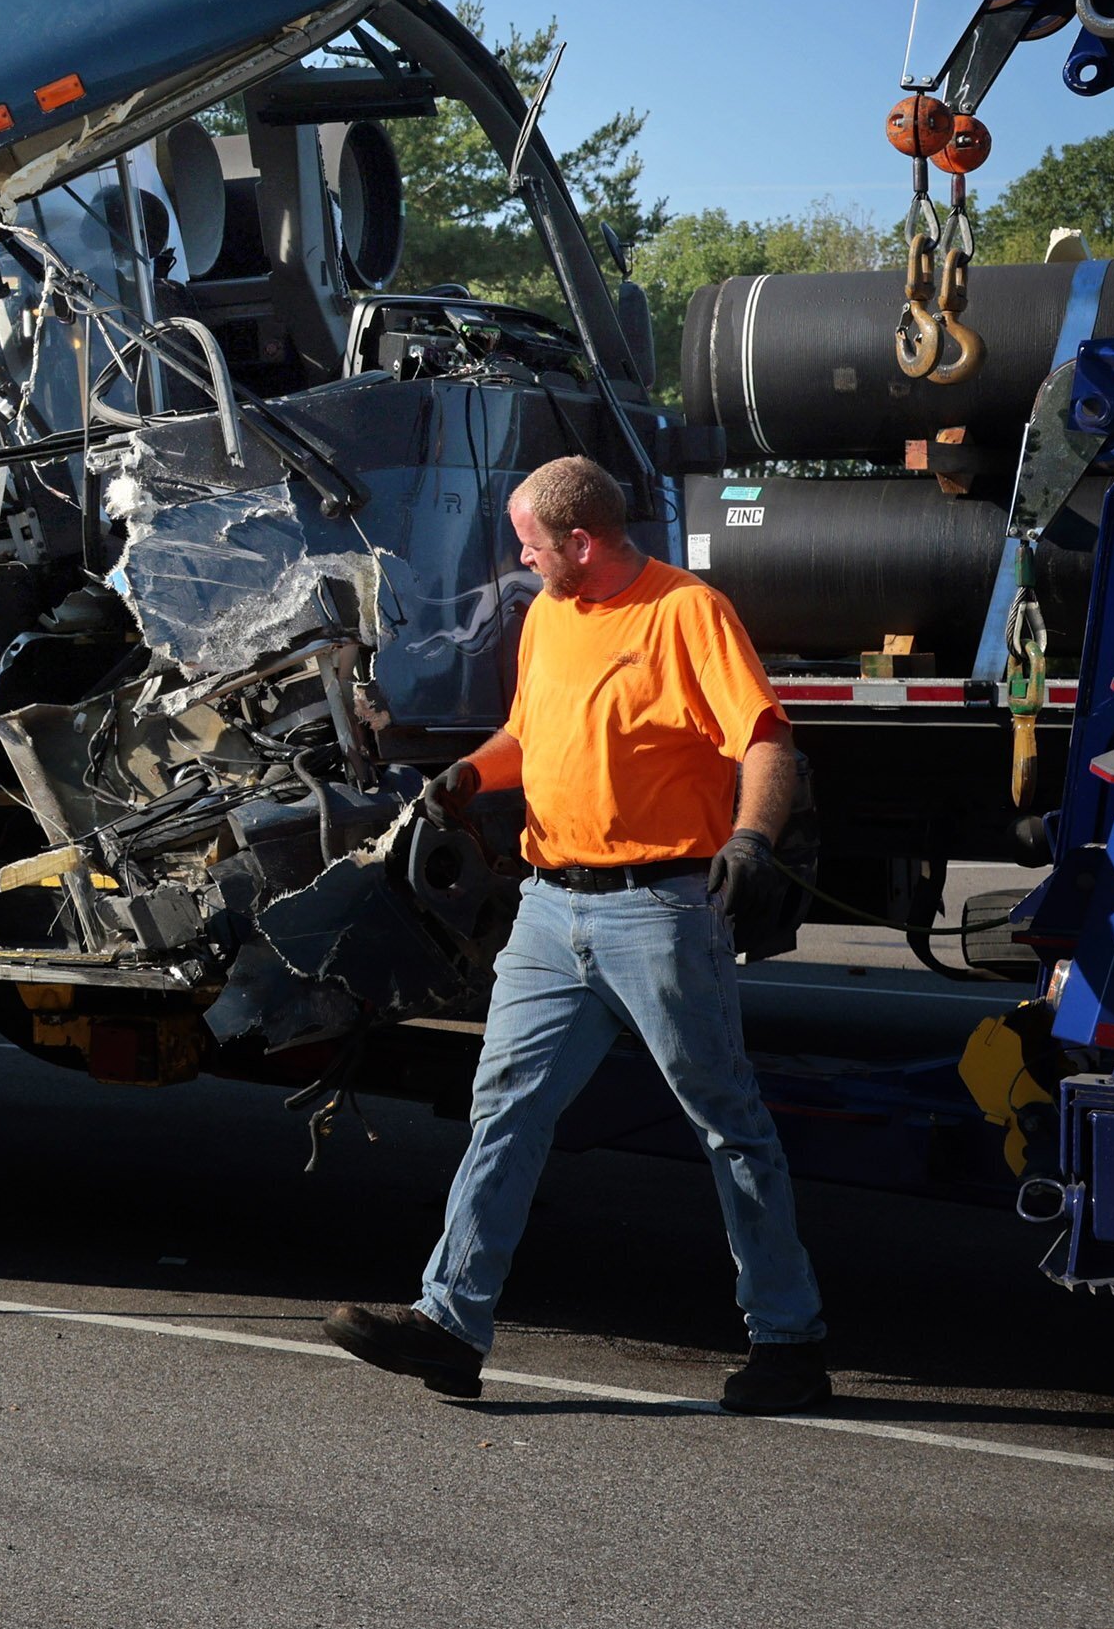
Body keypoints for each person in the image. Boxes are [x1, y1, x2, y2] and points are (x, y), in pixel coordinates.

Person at [322, 454, 832, 1415]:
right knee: (504, 1107)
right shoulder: (551, 616)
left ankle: (789, 1341)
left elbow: (765, 737)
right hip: (551, 910)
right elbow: (532, 733)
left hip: (662, 909)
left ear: (582, 542)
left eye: (530, 544)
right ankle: (450, 1325)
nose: (520, 560)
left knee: (727, 1124)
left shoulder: (686, 612)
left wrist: (754, 838)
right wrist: (470, 775)